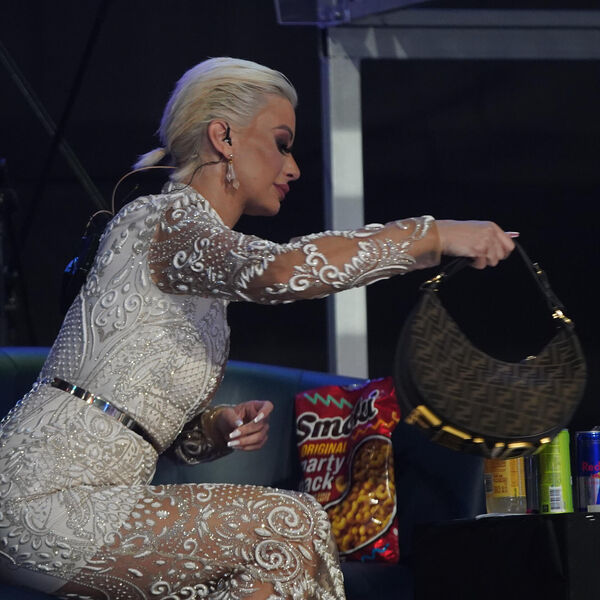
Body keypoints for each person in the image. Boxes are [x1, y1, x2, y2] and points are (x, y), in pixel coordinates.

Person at [0, 57, 515, 600]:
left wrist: (216, 427)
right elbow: (281, 270)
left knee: (298, 545)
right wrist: (433, 235)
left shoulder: (202, 269)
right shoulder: (162, 217)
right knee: (288, 524)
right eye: (282, 143)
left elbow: (154, 430)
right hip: (39, 490)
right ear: (222, 137)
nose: (293, 168)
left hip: (103, 497)